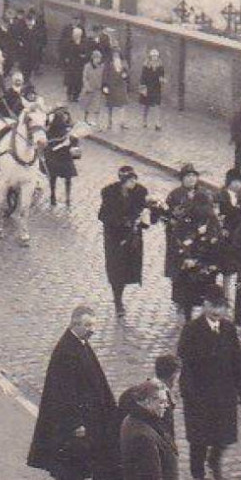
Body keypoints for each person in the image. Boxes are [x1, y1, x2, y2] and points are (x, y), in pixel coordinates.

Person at [26, 305, 119, 480]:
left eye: (93, 325)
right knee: (66, 466)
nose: (92, 330)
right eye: (87, 325)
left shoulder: (80, 344)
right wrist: (74, 423)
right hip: (68, 424)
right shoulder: (66, 351)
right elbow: (63, 393)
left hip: (82, 420)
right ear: (73, 324)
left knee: (77, 463)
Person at [177, 294, 241, 480]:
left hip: (224, 392)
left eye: (221, 307)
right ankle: (198, 474)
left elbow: (237, 359)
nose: (216, 312)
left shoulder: (228, 328)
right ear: (204, 305)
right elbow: (184, 362)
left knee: (223, 434)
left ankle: (214, 460)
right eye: (212, 306)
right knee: (199, 437)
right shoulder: (191, 329)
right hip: (199, 392)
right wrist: (188, 392)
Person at [98, 166, 150, 313]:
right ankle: (118, 300)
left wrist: (146, 218)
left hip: (133, 238)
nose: (133, 182)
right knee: (116, 269)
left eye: (135, 179)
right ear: (122, 180)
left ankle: (120, 295)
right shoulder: (109, 192)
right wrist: (120, 222)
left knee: (129, 268)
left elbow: (144, 212)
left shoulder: (140, 192)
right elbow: (103, 215)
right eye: (130, 179)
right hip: (114, 237)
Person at [44, 104, 79, 207]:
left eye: (66, 115)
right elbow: (49, 142)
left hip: (66, 157)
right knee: (53, 178)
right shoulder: (52, 130)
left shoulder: (70, 129)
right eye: (63, 115)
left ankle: (68, 197)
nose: (65, 117)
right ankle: (52, 195)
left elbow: (75, 144)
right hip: (55, 157)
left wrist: (74, 144)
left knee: (68, 179)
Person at [137, 49, 166, 130]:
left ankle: (157, 123)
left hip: (156, 88)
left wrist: (162, 80)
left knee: (157, 106)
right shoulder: (146, 66)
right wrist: (143, 89)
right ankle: (144, 121)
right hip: (148, 88)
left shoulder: (160, 67)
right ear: (150, 57)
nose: (154, 58)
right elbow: (143, 78)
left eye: (156, 56)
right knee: (146, 106)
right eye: (153, 56)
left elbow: (161, 76)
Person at [102, 51, 130, 130]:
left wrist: (125, 75)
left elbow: (127, 75)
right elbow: (105, 76)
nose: (116, 58)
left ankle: (122, 122)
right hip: (111, 88)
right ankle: (109, 122)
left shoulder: (123, 65)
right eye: (114, 56)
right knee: (110, 106)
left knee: (122, 105)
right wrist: (105, 86)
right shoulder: (108, 66)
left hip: (121, 88)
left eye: (117, 56)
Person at [79, 49, 105, 125]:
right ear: (92, 58)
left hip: (97, 89)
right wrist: (87, 87)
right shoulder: (87, 66)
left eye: (99, 58)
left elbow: (103, 77)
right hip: (88, 89)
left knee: (96, 106)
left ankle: (96, 121)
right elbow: (84, 77)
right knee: (87, 105)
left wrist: (102, 86)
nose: (97, 60)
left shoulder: (102, 67)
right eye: (96, 58)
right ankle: (85, 120)